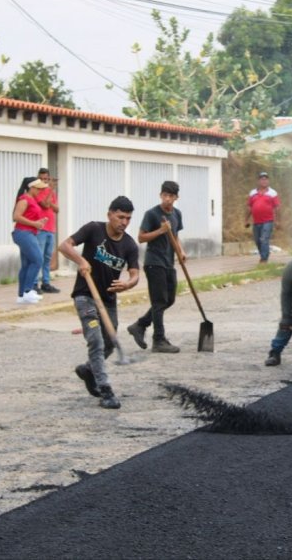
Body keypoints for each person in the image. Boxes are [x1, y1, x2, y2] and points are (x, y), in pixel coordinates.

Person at [58, 196, 140, 410]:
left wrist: (128, 284)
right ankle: (105, 390)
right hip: (85, 296)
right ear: (110, 214)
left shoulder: (129, 245)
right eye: (120, 217)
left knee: (110, 341)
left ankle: (88, 370)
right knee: (96, 340)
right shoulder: (93, 230)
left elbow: (135, 274)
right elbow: (64, 245)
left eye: (128, 218)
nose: (124, 222)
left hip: (108, 300)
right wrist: (81, 260)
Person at [127, 181, 184, 354]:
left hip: (168, 262)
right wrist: (160, 231)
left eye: (170, 196)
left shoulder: (177, 214)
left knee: (169, 299)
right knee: (159, 301)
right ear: (160, 195)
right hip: (154, 262)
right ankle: (158, 340)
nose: (166, 199)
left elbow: (175, 235)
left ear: (176, 198)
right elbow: (141, 237)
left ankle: (140, 324)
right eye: (164, 195)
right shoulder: (152, 214)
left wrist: (181, 251)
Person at [11, 177, 49, 304]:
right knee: (38, 260)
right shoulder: (24, 199)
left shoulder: (31, 199)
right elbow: (16, 216)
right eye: (38, 188)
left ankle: (21, 295)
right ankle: (28, 290)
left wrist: (38, 223)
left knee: (27, 265)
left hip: (29, 233)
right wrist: (34, 223)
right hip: (23, 233)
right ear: (31, 187)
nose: (40, 191)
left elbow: (29, 217)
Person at [33, 167, 61, 294]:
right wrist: (51, 191)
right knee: (38, 257)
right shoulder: (37, 192)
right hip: (41, 228)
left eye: (46, 179)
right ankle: (34, 283)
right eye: (41, 179)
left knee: (47, 257)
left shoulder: (51, 193)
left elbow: (56, 209)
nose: (44, 181)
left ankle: (46, 282)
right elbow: (44, 204)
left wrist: (50, 195)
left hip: (51, 229)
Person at [245, 172, 280, 264]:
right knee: (257, 240)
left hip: (268, 221)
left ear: (268, 181)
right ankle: (263, 255)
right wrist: (246, 219)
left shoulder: (272, 193)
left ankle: (264, 259)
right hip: (256, 221)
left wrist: (277, 221)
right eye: (262, 179)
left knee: (264, 239)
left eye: (266, 179)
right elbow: (249, 207)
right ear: (258, 181)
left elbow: (277, 207)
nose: (264, 181)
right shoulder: (253, 193)